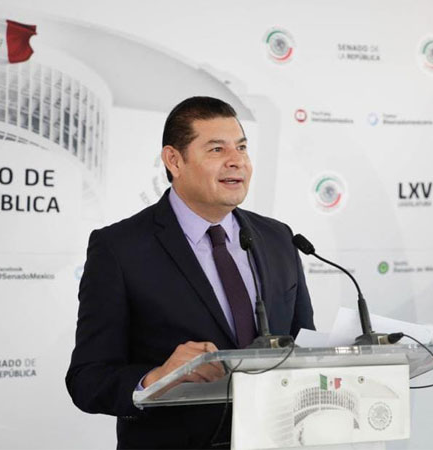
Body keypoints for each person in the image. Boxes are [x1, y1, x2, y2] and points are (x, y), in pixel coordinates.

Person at [66, 96, 315, 449]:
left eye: (242, 148)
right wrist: (157, 378)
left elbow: (303, 346)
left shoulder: (278, 238)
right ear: (174, 160)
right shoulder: (119, 249)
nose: (236, 161)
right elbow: (88, 379)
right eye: (217, 149)